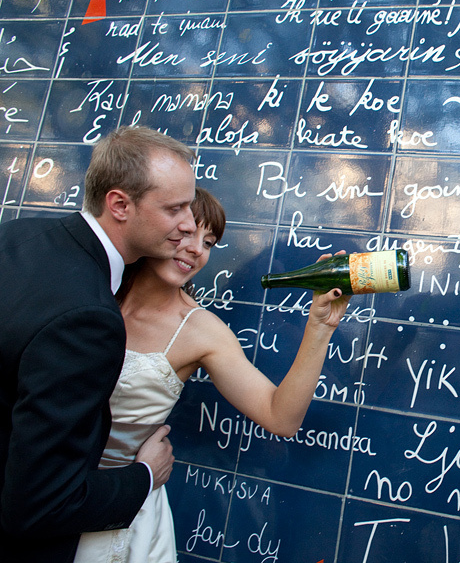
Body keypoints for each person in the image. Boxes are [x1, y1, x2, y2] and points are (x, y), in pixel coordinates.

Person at [73, 188, 351, 562]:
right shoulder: (88, 289)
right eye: (185, 233)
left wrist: (319, 327)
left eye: (208, 242)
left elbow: (280, 417)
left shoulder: (201, 330)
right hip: (41, 488)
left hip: (121, 514)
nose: (196, 250)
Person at [0, 126, 197, 562]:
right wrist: (145, 475)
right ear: (120, 205)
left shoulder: (17, 235)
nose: (189, 224)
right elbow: (40, 505)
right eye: (175, 208)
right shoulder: (88, 320)